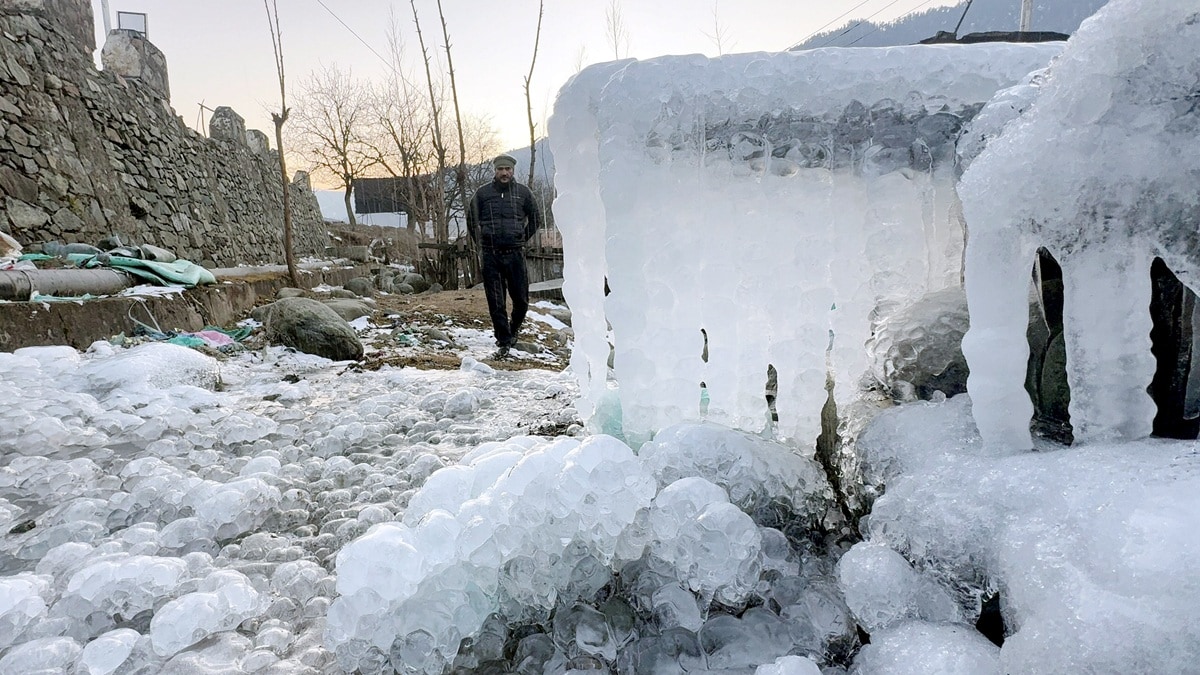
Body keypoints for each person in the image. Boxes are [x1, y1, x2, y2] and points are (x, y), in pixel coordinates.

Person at [467, 153, 543, 358]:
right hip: (491, 256)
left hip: (515, 254)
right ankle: (504, 340)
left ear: (513, 170)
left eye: (507, 169)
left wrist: (521, 238)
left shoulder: (523, 193)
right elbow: (471, 221)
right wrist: (482, 244)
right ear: (495, 170)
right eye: (500, 169)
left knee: (522, 300)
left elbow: (536, 219)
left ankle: (513, 329)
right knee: (496, 301)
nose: (504, 173)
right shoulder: (482, 194)